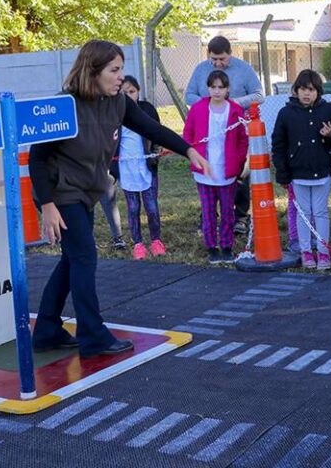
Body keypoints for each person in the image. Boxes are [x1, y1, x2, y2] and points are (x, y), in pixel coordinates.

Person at [30, 40, 211, 358]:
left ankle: (46, 329)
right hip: (59, 194)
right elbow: (37, 158)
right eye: (114, 70)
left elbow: (152, 128)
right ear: (93, 71)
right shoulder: (64, 105)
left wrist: (188, 149)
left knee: (73, 258)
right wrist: (47, 206)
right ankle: (92, 336)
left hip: (85, 191)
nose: (120, 77)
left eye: (121, 69)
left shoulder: (118, 103)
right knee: (85, 256)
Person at [184, 35, 263, 236]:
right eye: (214, 59)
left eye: (222, 59)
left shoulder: (244, 69)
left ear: (230, 54)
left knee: (240, 171)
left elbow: (259, 95)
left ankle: (241, 216)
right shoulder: (201, 69)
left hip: (236, 129)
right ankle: (209, 215)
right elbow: (189, 96)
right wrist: (209, 103)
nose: (217, 63)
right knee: (208, 170)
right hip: (209, 130)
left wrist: (232, 103)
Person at [271, 70, 331, 270]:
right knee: (303, 213)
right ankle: (305, 251)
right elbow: (278, 144)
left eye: (311, 90)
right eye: (302, 89)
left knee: (320, 212)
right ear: (296, 90)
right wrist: (283, 172)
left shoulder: (329, 110)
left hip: (322, 172)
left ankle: (323, 251)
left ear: (318, 91)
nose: (306, 93)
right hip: (298, 173)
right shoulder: (286, 113)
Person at [183, 70, 249, 264]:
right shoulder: (198, 108)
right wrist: (193, 157)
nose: (217, 91)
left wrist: (238, 163)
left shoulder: (236, 110)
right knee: (209, 211)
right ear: (208, 88)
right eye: (213, 87)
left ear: (228, 89)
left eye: (221, 87)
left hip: (226, 171)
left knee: (228, 211)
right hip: (204, 172)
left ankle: (227, 246)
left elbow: (242, 140)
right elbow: (188, 134)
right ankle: (212, 246)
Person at [112, 76, 165, 260]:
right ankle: (138, 244)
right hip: (126, 168)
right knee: (133, 208)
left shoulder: (147, 110)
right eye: (124, 93)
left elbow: (158, 132)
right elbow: (110, 143)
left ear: (138, 92)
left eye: (132, 92)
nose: (128, 96)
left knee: (151, 206)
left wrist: (156, 151)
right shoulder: (113, 114)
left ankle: (156, 240)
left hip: (147, 166)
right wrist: (111, 168)